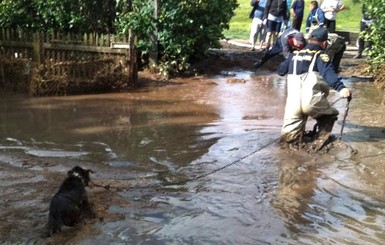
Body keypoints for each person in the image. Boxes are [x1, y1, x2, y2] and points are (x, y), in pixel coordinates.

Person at [277, 27, 351, 151]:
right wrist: (341, 88)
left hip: (292, 105)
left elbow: (281, 71)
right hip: (311, 101)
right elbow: (328, 73)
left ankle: (288, 163)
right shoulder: (321, 55)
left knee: (289, 141)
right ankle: (319, 144)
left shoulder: (294, 55)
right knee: (330, 115)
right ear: (324, 43)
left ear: (309, 40)